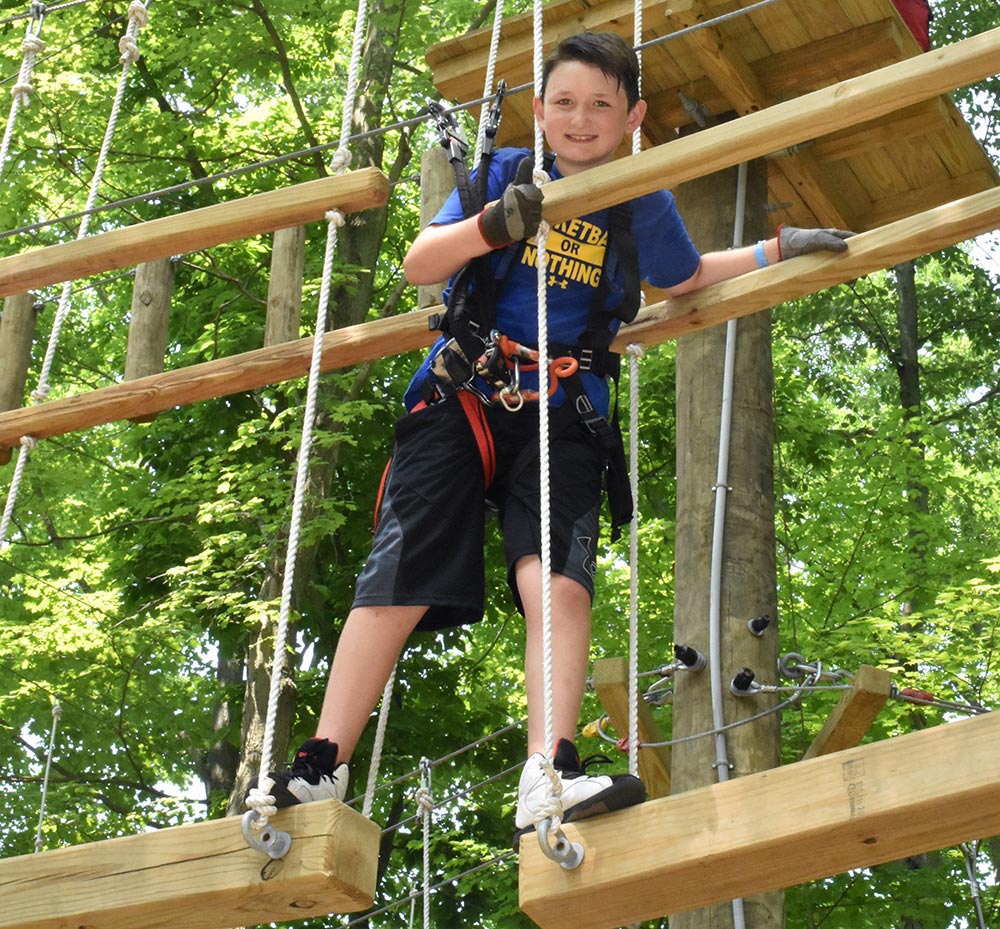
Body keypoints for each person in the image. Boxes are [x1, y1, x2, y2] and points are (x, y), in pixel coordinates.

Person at [254, 31, 852, 844]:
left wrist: (773, 249)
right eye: (564, 102)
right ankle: (322, 762)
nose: (580, 120)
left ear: (632, 116)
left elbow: (680, 279)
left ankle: (552, 771)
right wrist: (495, 224)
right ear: (540, 109)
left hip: (562, 405)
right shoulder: (505, 173)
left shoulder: (639, 196)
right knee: (402, 563)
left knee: (559, 579)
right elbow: (420, 261)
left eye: (601, 105)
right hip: (463, 388)